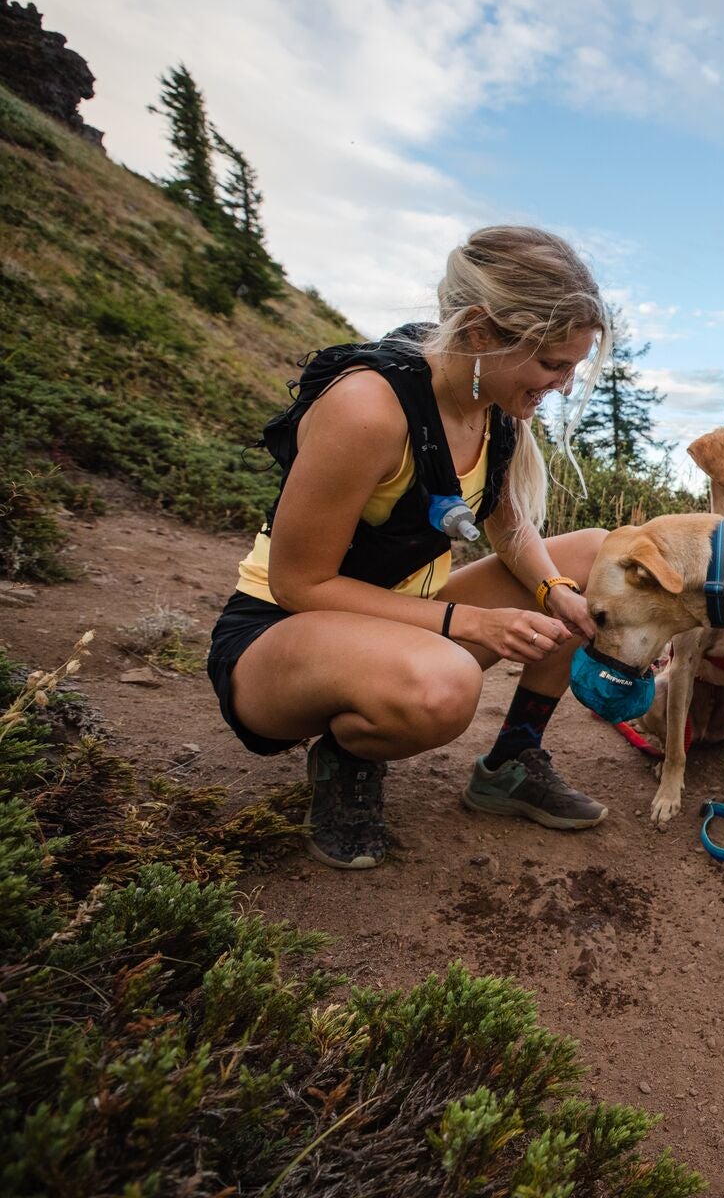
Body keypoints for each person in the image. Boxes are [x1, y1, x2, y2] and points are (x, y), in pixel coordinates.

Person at [206, 225, 611, 869]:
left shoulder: (491, 399)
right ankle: (347, 757)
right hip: (280, 634)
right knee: (442, 686)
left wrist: (553, 589)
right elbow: (299, 584)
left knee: (598, 556)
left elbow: (506, 524)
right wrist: (472, 621)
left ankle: (512, 762)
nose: (562, 385)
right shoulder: (368, 408)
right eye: (552, 364)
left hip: (397, 613)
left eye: (572, 368)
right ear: (480, 332)